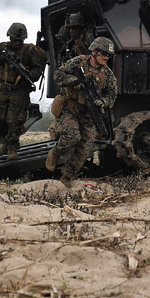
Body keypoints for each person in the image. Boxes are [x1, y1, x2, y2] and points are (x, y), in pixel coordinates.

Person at [46, 36, 118, 186]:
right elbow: (57, 75)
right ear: (95, 52)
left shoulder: (108, 74)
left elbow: (112, 94)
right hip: (71, 109)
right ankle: (54, 153)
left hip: (89, 114)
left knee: (85, 149)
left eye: (109, 55)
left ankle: (66, 177)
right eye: (104, 54)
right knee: (71, 137)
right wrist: (72, 81)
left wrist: (103, 101)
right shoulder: (78, 62)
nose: (106, 57)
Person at [0, 22, 47, 159]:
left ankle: (12, 149)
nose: (17, 43)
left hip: (20, 90)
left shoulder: (29, 51)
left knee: (13, 121)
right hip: (2, 88)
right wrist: (0, 60)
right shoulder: (2, 48)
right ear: (10, 37)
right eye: (15, 40)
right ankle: (6, 142)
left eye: (20, 40)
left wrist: (25, 74)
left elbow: (37, 72)